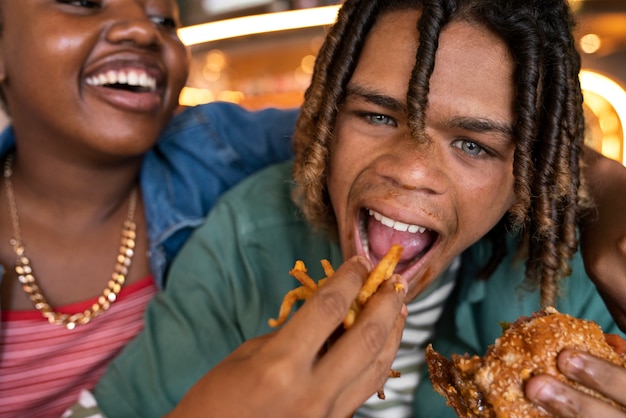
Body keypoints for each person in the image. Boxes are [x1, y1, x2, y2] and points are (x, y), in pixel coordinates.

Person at [87, 0, 626, 417]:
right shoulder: (248, 234)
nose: (410, 171)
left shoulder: (573, 285)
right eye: (377, 116)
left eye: (473, 145)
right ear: (327, 117)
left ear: (525, 173)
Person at [0, 0, 407, 416]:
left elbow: (363, 127)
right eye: (84, 3)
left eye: (162, 21)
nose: (143, 32)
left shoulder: (220, 149)